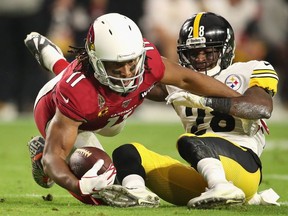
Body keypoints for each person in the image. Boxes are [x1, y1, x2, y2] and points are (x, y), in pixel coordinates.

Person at [24, 13, 240, 206]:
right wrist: (79, 186)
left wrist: (238, 101)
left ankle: (57, 62)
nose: (127, 72)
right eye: (115, 66)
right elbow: (54, 158)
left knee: (116, 125)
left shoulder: (147, 59)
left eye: (131, 62)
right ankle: (40, 154)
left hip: (111, 117)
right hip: (65, 115)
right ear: (96, 61)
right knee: (104, 186)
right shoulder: (77, 91)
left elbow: (187, 79)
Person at [95, 12, 280, 209]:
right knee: (128, 152)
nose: (200, 59)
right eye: (193, 53)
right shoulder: (180, 81)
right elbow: (135, 83)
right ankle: (137, 193)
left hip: (243, 168)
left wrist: (205, 101)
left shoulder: (251, 69)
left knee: (189, 141)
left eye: (207, 52)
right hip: (200, 175)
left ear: (225, 51)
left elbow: (261, 107)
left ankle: (223, 187)